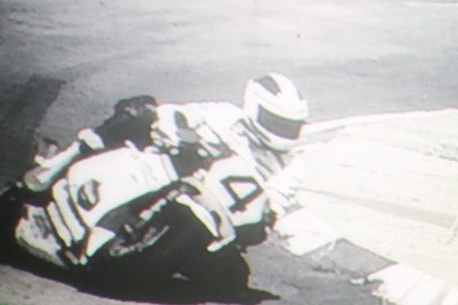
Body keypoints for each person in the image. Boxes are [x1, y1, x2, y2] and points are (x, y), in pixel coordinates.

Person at [22, 74, 309, 217]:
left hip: (219, 211)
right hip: (177, 170)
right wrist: (169, 127)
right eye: (278, 121)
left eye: (289, 125)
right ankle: (54, 167)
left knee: (231, 279)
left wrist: (271, 212)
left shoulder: (291, 164)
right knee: (138, 112)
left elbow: (280, 203)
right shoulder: (226, 114)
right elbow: (177, 112)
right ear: (254, 108)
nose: (283, 131)